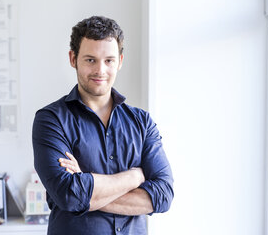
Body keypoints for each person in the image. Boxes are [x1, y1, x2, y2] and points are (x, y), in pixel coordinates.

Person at [32, 16, 173, 235]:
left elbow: (163, 196)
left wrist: (89, 190)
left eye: (109, 60)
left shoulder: (142, 123)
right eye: (90, 60)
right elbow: (69, 195)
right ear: (73, 58)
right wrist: (134, 177)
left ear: (120, 61)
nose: (100, 70)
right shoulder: (51, 120)